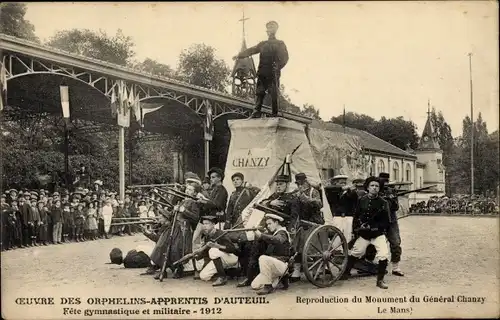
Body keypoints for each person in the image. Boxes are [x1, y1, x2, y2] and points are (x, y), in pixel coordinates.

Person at [341, 176, 391, 289]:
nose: (374, 188)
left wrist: (376, 228)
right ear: (367, 187)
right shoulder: (361, 200)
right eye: (372, 186)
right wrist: (356, 230)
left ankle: (380, 280)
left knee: (383, 254)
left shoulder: (383, 203)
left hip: (378, 234)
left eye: (377, 186)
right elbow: (356, 216)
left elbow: (386, 221)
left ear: (379, 188)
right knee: (356, 252)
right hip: (364, 234)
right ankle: (345, 273)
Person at [232, 21, 289, 118]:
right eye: (268, 28)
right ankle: (256, 111)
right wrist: (239, 55)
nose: (270, 30)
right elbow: (252, 50)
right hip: (262, 72)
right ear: (266, 31)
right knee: (259, 92)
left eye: (272, 27)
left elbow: (285, 57)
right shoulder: (263, 44)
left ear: (276, 29)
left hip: (273, 72)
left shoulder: (280, 44)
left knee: (274, 93)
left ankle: (274, 113)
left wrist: (278, 66)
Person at [250, 213, 292, 295]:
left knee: (263, 258)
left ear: (276, 223)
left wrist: (261, 235)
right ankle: (278, 279)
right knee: (255, 285)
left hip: (283, 265)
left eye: (270, 223)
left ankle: (268, 286)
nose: (268, 226)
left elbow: (277, 240)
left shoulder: (282, 232)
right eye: (267, 224)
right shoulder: (275, 233)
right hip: (275, 266)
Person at [197, 215, 239, 286]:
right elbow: (206, 254)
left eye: (207, 224)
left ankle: (222, 277)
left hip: (231, 257)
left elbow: (232, 249)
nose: (204, 226)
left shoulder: (220, 233)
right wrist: (197, 255)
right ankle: (232, 272)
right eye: (203, 224)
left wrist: (217, 246)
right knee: (204, 276)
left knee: (213, 251)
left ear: (213, 224)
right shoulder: (207, 236)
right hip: (219, 259)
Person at [378, 172, 404, 277]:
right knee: (373, 244)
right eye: (382, 181)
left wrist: (391, 199)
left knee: (396, 243)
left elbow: (396, 207)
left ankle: (395, 268)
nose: (385, 183)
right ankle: (372, 265)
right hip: (378, 221)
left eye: (386, 181)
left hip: (391, 221)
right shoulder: (374, 190)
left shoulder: (391, 191)